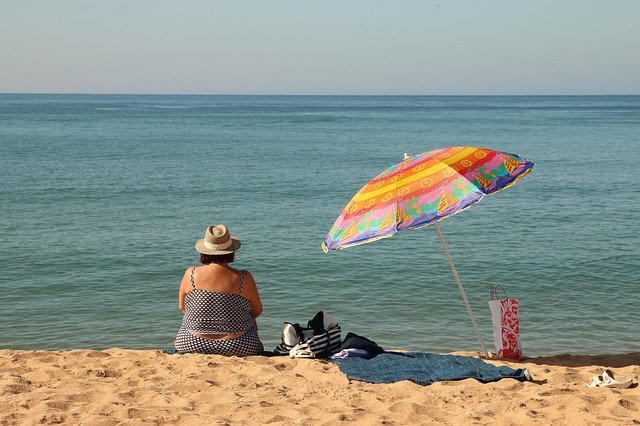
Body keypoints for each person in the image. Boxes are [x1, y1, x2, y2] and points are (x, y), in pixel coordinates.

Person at [174, 224, 264, 356]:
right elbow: (257, 311)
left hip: (192, 342)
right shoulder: (243, 277)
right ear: (231, 251)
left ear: (203, 251)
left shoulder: (191, 274)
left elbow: (183, 308)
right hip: (238, 345)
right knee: (250, 321)